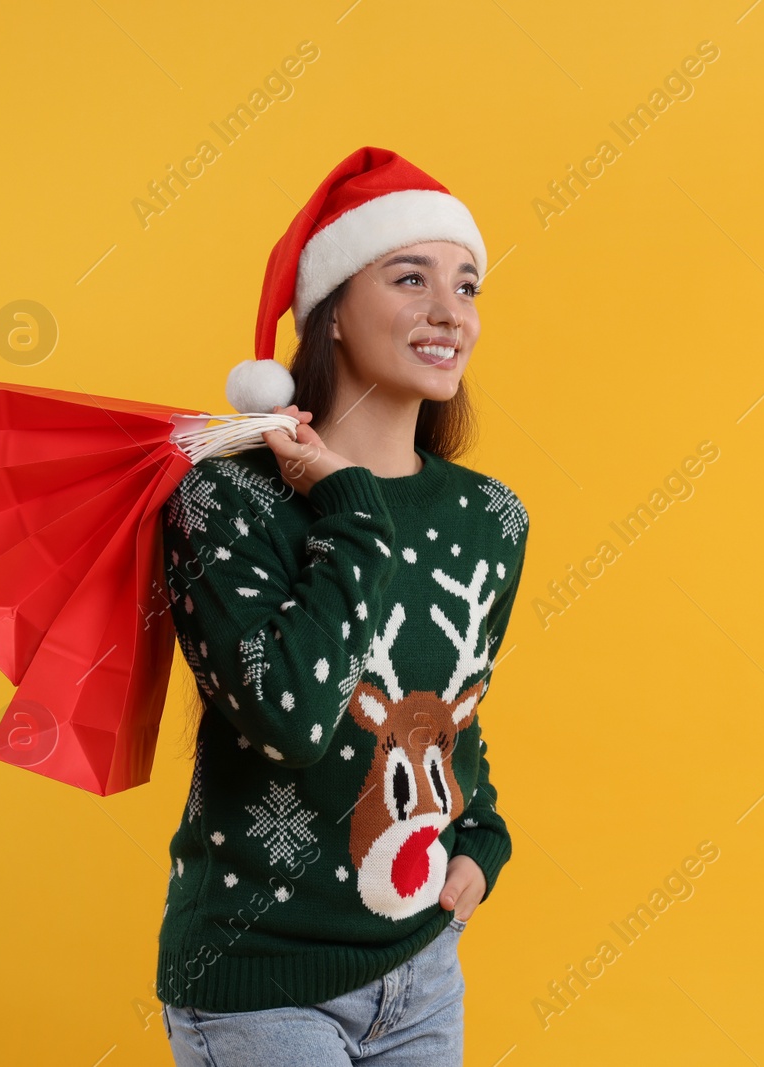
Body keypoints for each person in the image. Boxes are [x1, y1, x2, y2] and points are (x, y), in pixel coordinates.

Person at [154, 147, 528, 1065]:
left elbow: (455, 710)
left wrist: (479, 833)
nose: (451, 312)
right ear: (332, 316)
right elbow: (287, 717)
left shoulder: (492, 517)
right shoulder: (225, 502)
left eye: (467, 285)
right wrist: (352, 510)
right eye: (411, 278)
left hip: (420, 962)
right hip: (260, 981)